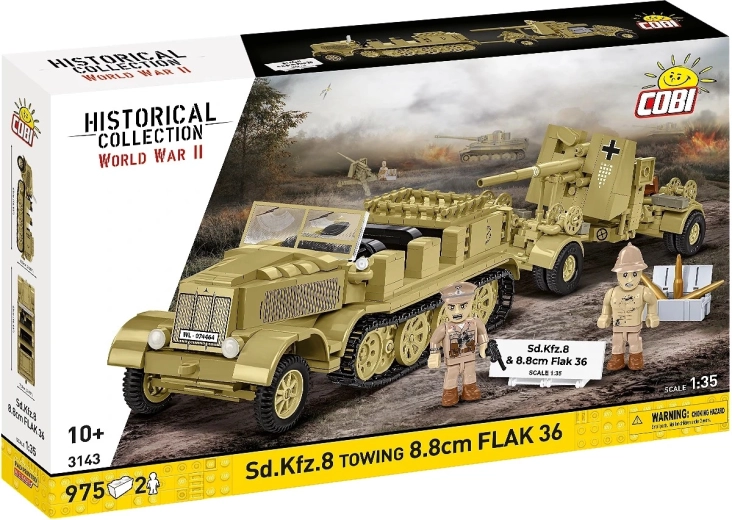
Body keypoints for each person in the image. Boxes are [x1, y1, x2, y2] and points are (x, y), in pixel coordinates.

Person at [428, 282, 488, 406]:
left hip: (469, 357)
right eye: (451, 307)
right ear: (445, 306)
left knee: (470, 374)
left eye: (463, 306)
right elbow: (434, 340)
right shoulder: (445, 328)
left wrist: (484, 346)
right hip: (453, 359)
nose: (457, 312)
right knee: (451, 377)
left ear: (471, 304)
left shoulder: (475, 323)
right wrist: (434, 353)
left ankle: (470, 391)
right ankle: (450, 394)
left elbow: (482, 334)